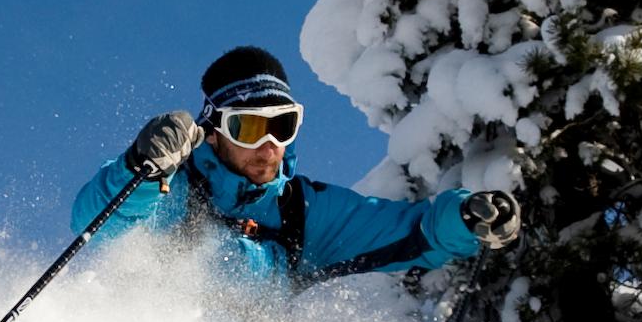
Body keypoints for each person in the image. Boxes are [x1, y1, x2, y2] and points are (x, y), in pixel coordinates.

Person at [74, 46, 520, 285]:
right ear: (213, 131)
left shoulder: (301, 212)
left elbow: (412, 231)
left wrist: (464, 219)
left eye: (282, 126)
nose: (269, 146)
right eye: (249, 129)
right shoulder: (174, 188)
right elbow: (93, 224)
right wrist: (141, 168)